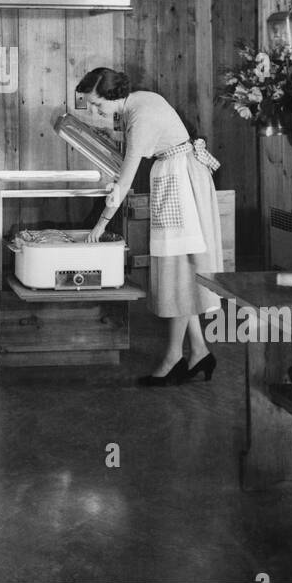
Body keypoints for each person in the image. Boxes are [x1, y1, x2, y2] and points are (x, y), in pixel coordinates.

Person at [77, 68, 224, 386]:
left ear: (113, 96)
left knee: (179, 272)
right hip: (178, 176)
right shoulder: (137, 101)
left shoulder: (140, 116)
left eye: (96, 105)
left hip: (180, 182)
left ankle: (174, 358)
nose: (94, 111)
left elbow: (125, 179)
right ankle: (198, 351)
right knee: (181, 269)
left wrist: (100, 226)